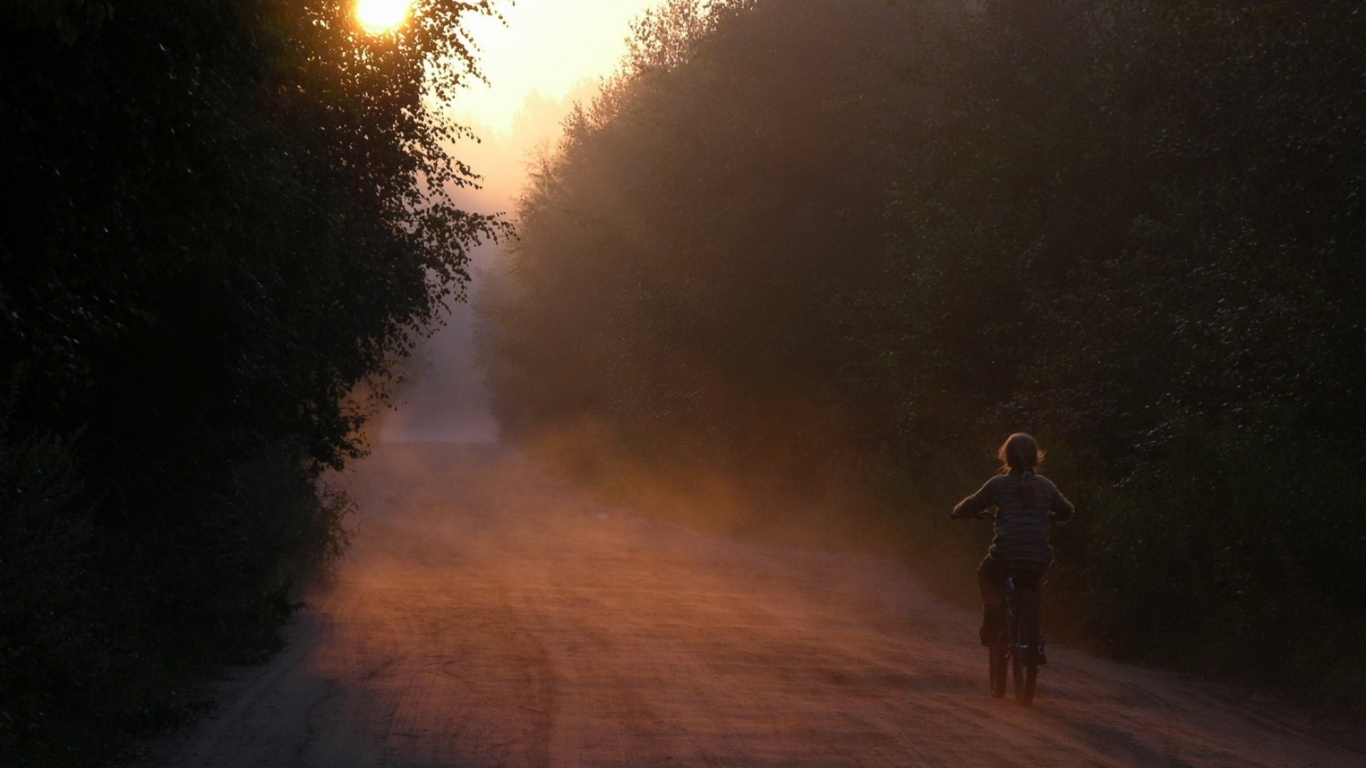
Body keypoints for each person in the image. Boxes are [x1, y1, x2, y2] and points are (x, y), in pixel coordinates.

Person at [951, 432, 1074, 647]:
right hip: (1039, 556)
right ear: (1036, 457)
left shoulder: (998, 485)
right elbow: (1067, 511)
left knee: (986, 573)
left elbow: (972, 505)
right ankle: (1034, 640)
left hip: (1006, 555)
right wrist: (1050, 515)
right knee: (1034, 582)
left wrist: (957, 513)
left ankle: (994, 612)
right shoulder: (1046, 486)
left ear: (1006, 457)